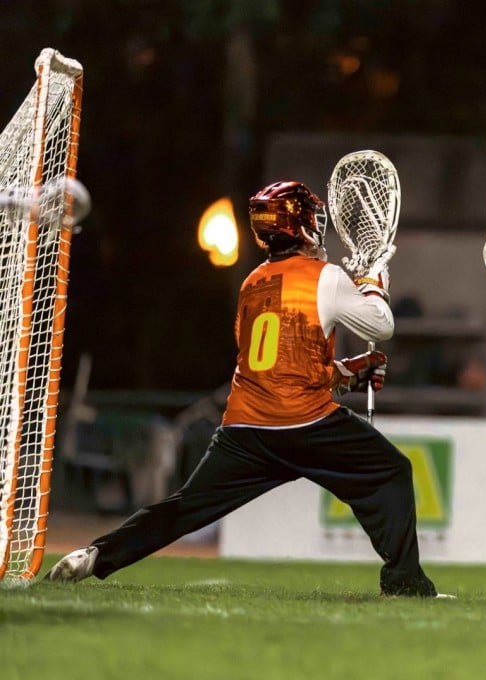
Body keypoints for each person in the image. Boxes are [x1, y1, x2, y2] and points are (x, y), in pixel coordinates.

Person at [47, 181, 447, 599]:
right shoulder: (323, 277)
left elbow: (280, 366)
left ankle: (94, 555)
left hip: (247, 429)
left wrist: (347, 374)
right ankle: (404, 582)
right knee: (390, 471)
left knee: (185, 507)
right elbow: (382, 325)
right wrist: (372, 281)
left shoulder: (252, 283)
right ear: (303, 226)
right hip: (306, 423)